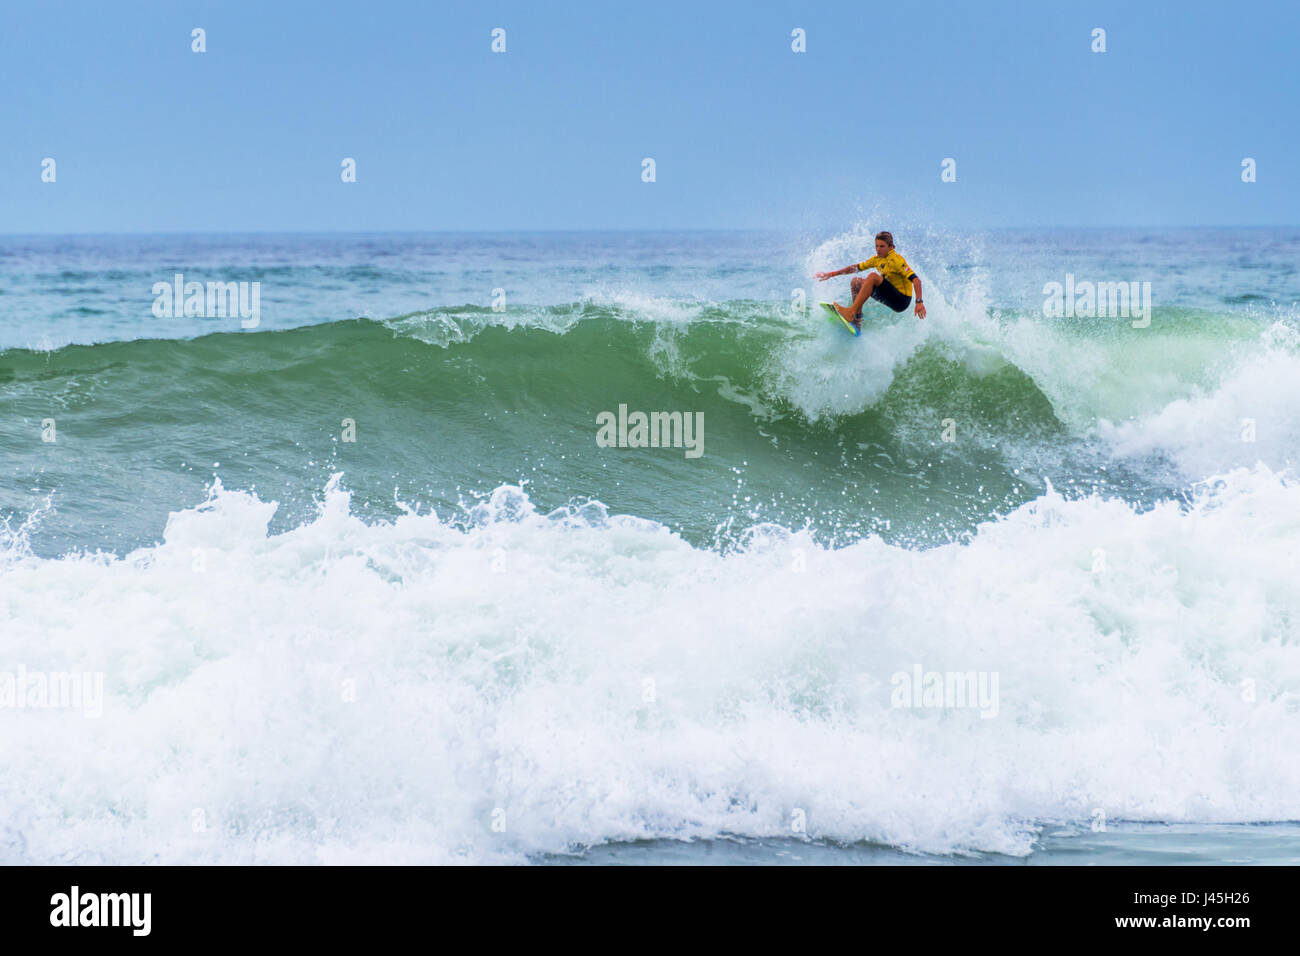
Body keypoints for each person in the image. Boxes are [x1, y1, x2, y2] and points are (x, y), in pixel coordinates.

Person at [814, 231, 926, 327]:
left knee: (873, 277)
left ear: (891, 247)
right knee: (856, 282)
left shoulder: (897, 261)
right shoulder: (877, 259)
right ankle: (856, 320)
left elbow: (916, 280)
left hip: (901, 300)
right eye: (876, 246)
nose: (878, 249)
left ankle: (850, 312)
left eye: (882, 246)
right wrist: (830, 274)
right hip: (889, 295)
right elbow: (855, 268)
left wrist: (919, 302)